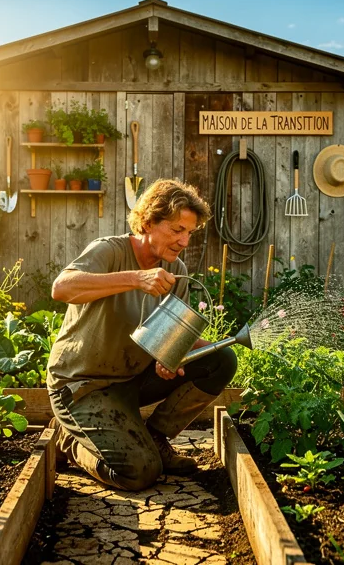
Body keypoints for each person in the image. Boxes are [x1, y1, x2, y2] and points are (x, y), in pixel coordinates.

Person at [46, 178, 237, 491]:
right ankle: (69, 439)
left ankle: (156, 437)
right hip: (83, 385)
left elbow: (171, 334)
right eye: (177, 230)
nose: (184, 241)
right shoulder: (109, 251)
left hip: (132, 380)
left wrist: (170, 353)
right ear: (148, 222)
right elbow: (62, 288)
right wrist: (136, 279)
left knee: (221, 360)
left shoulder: (178, 273)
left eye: (190, 232)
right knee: (139, 473)